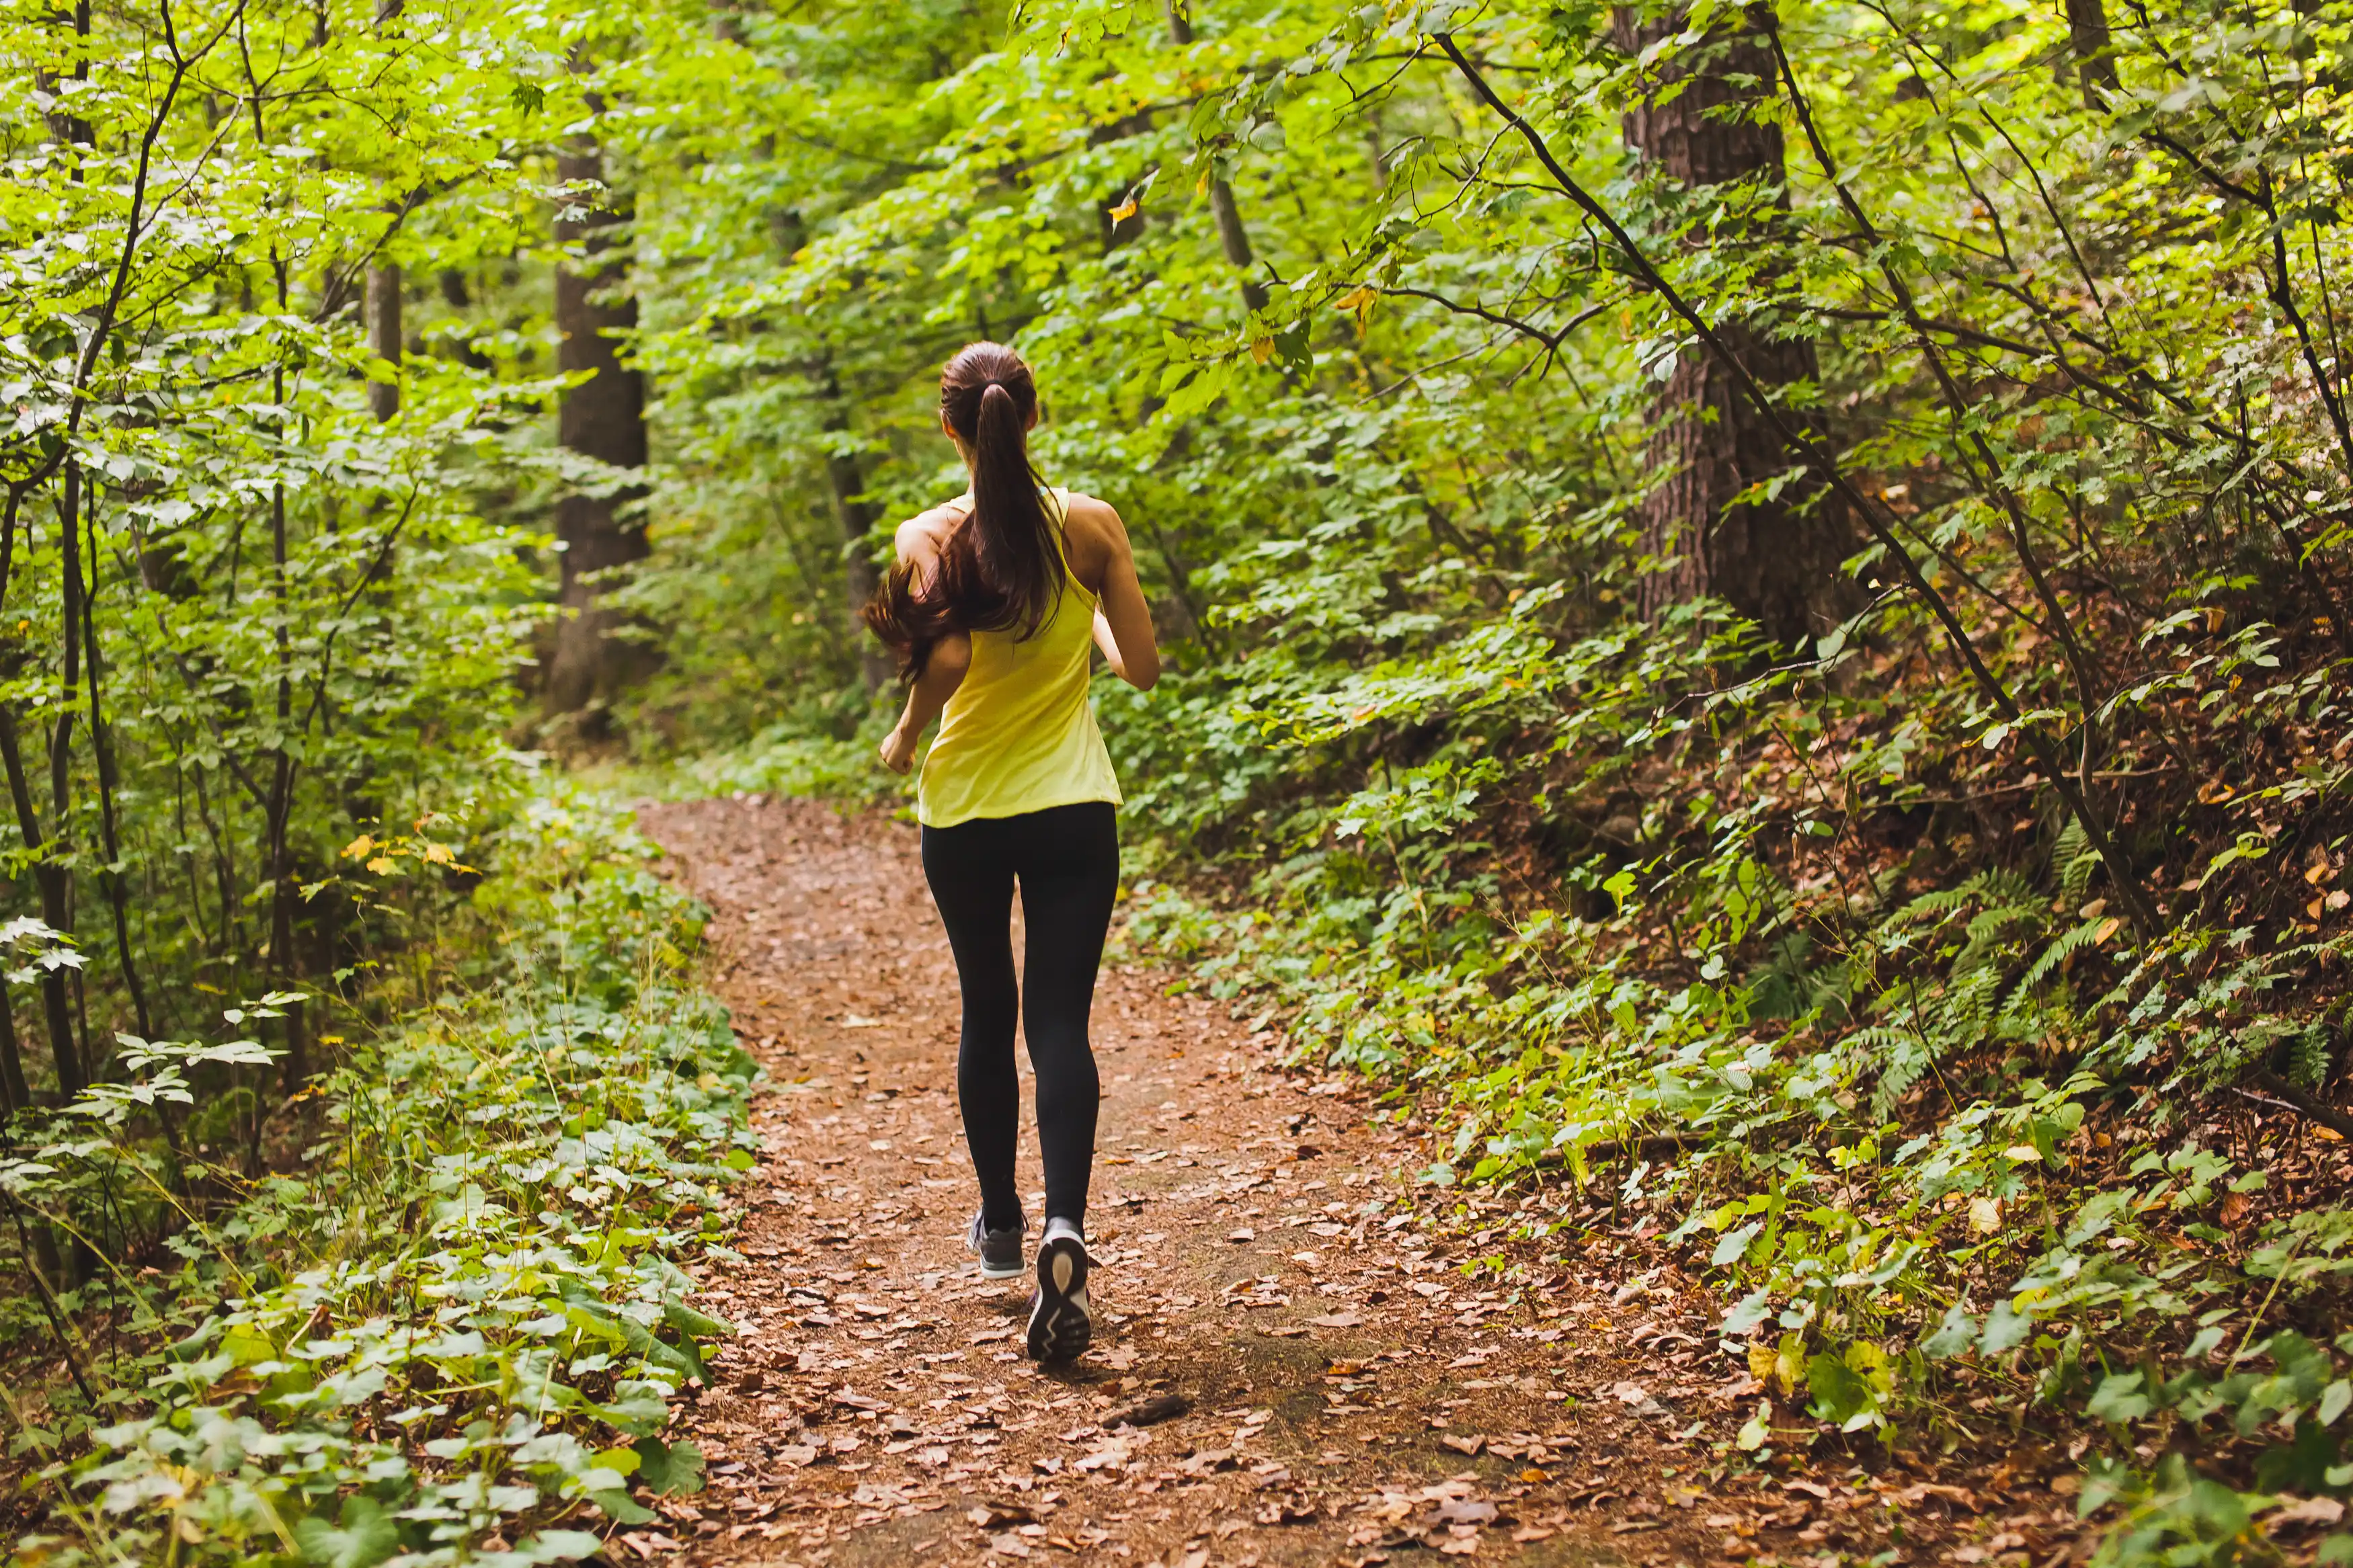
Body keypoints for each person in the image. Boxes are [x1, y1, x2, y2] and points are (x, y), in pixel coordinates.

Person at [862, 341, 1159, 1364]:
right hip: (1074, 805)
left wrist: (908, 733)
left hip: (971, 810)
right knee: (1061, 1023)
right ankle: (1066, 1227)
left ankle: (999, 1225)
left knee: (987, 1012)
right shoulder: (1090, 526)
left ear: (953, 427)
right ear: (1032, 418)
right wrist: (1101, 642)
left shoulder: (929, 536)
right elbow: (1146, 667)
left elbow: (947, 655)